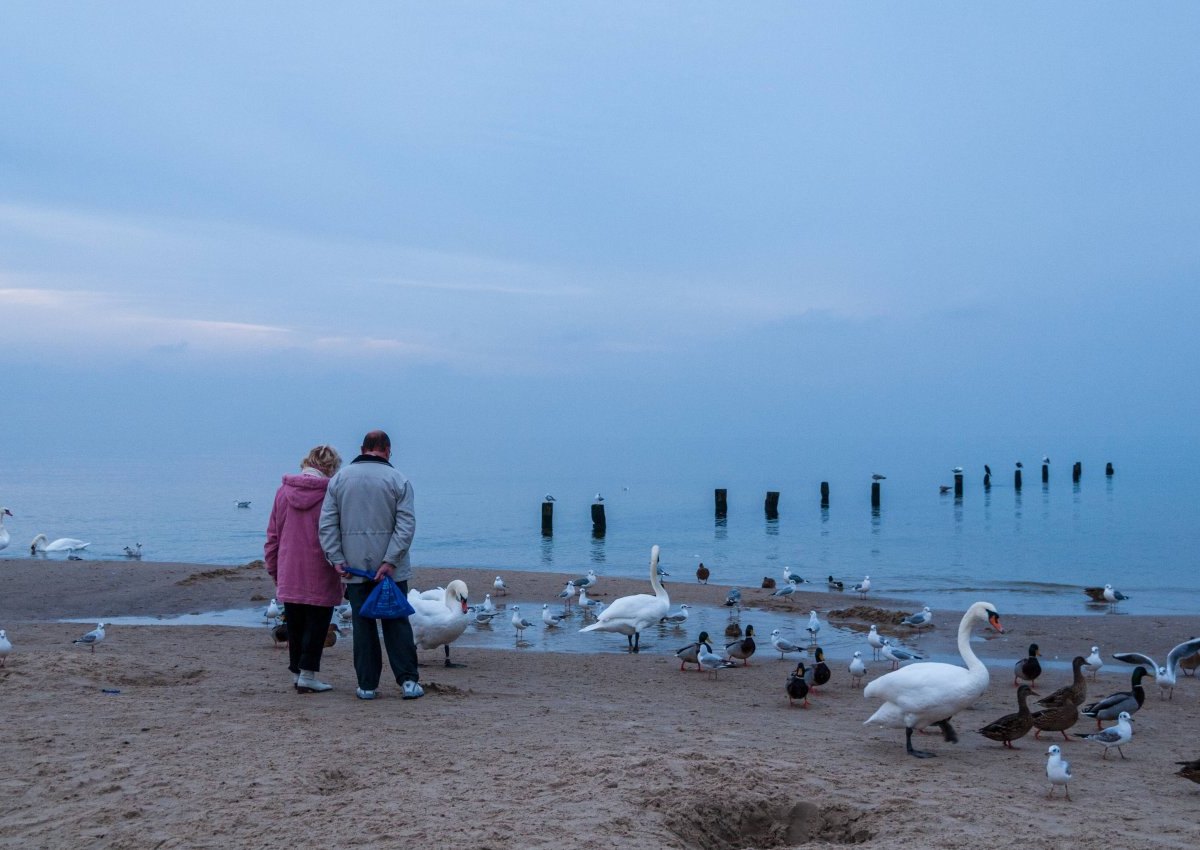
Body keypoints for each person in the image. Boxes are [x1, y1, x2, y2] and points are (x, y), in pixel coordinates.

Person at [318, 430, 422, 701]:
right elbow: (406, 526)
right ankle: (408, 681)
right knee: (397, 623)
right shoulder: (399, 480)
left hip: (354, 568)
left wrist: (336, 558)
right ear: (387, 450)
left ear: (362, 448)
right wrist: (390, 560)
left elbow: (327, 524)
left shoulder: (339, 480)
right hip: (391, 570)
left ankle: (366, 685)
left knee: (363, 626)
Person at [264, 444, 343, 693]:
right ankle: (307, 674)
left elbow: (273, 536)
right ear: (331, 468)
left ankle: (298, 673)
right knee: (317, 624)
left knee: (295, 624)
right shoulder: (331, 494)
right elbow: (337, 533)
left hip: (289, 568)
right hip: (321, 568)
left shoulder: (282, 493)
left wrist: (274, 569)